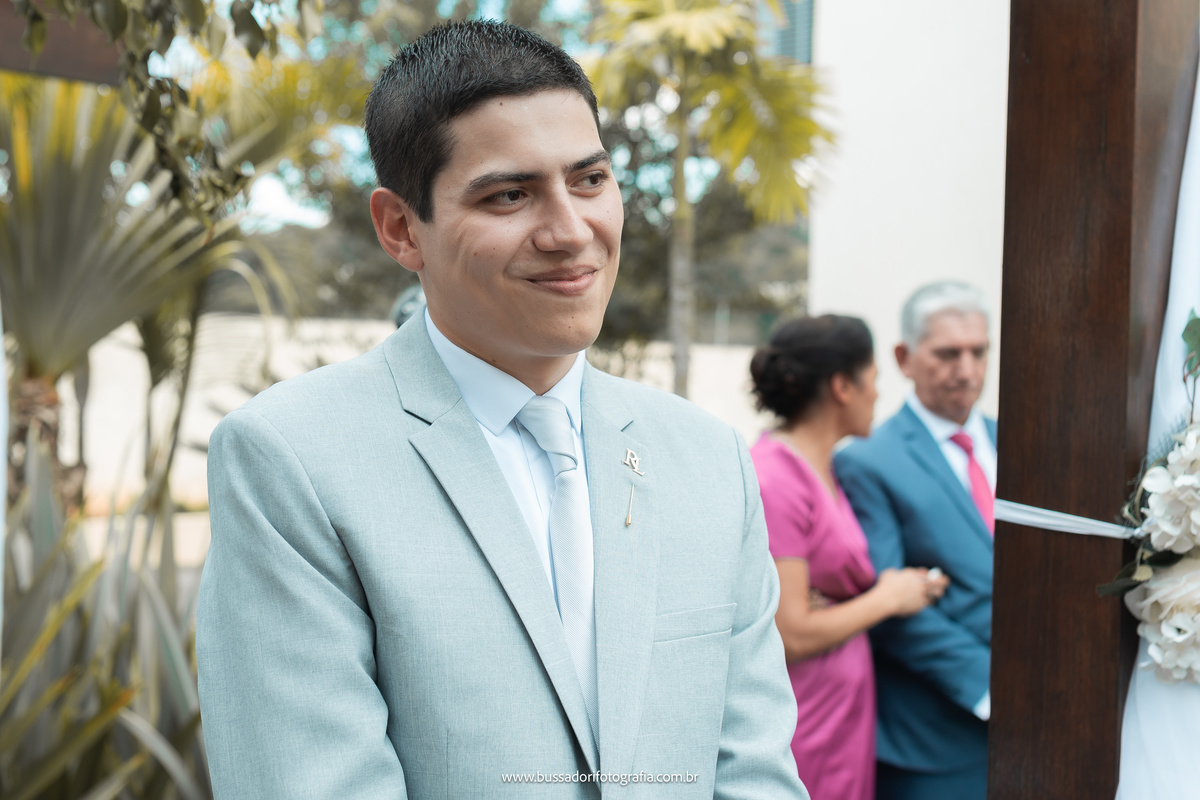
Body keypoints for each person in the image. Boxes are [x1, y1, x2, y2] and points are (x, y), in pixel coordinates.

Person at [195, 20, 807, 799]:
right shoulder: (293, 460)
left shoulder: (708, 458)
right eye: (510, 195)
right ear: (401, 229)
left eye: (590, 180)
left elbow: (754, 773)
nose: (570, 231)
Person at [748, 315, 949, 800]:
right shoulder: (777, 478)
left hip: (842, 713)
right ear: (843, 386)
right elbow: (791, 633)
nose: (878, 394)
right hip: (804, 716)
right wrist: (887, 599)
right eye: (874, 379)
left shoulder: (830, 467)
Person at [833, 281, 996, 800]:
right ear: (904, 358)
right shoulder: (867, 461)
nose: (967, 370)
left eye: (979, 352)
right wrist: (991, 685)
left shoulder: (1021, 443)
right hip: (933, 742)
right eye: (948, 354)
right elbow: (886, 600)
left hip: (1043, 727)